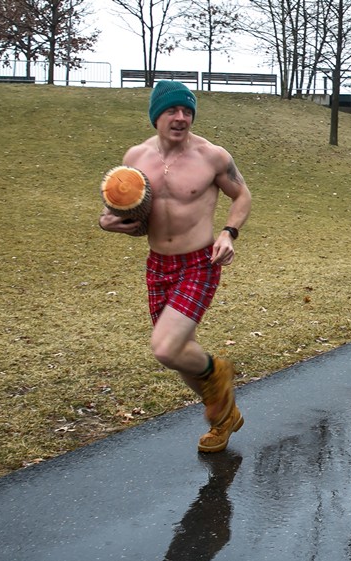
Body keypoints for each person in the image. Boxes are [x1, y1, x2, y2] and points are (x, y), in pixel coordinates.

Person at [98, 80, 252, 453]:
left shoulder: (211, 156)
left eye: (187, 111)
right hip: (158, 264)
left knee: (166, 349)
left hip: (199, 262)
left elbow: (242, 195)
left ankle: (218, 372)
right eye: (172, 110)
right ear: (156, 116)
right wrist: (107, 221)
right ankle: (224, 417)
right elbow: (121, 206)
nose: (181, 117)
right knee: (181, 354)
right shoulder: (136, 157)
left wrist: (229, 233)